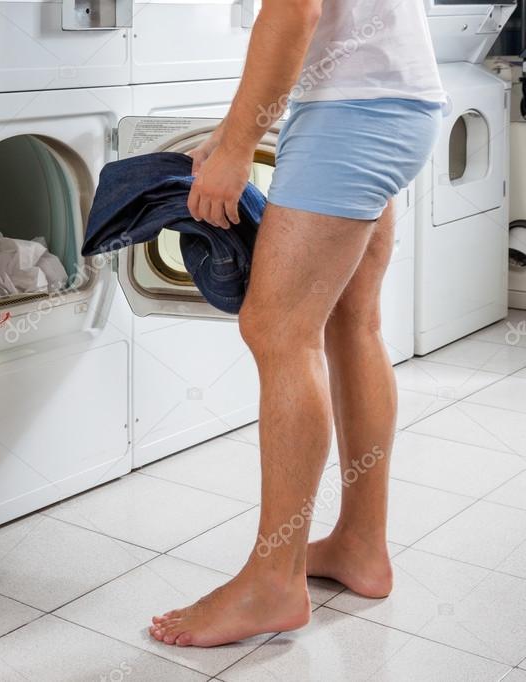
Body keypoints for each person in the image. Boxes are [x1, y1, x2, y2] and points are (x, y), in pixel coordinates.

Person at [148, 0, 445, 647]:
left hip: (353, 111)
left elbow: (293, 12)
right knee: (350, 322)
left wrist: (234, 145)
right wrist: (235, 134)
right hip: (393, 98)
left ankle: (272, 584)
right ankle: (359, 547)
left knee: (277, 330)